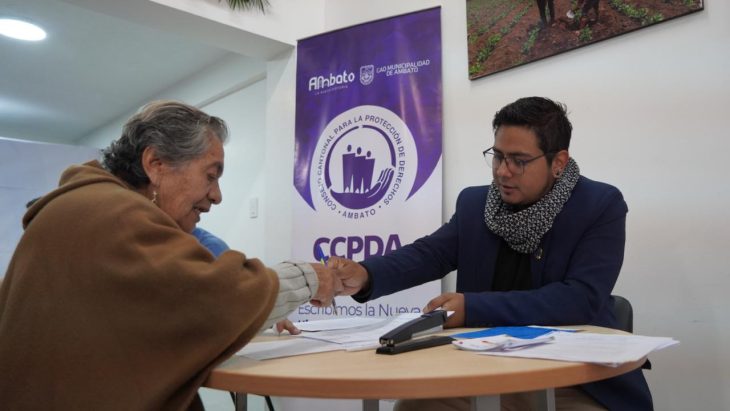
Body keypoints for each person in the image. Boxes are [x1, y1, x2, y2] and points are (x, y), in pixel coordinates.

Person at [0, 100, 341, 410]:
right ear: (156, 164)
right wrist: (311, 276)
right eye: (210, 176)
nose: (217, 195)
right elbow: (218, 301)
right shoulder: (116, 215)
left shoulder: (81, 208)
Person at [330, 97, 652, 410]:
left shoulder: (599, 205)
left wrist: (472, 308)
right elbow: (429, 254)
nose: (502, 172)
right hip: (486, 372)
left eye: (519, 161)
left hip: (576, 380)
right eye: (498, 156)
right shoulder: (475, 204)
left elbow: (580, 299)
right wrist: (366, 275)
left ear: (558, 162)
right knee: (414, 407)